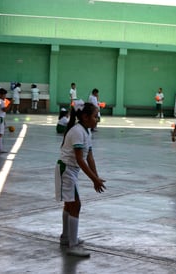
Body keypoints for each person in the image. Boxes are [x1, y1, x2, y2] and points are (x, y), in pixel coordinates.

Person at [55, 100, 106, 257]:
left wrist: (96, 176)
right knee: (75, 205)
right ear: (85, 117)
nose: (98, 119)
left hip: (71, 171)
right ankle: (73, 244)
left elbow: (89, 156)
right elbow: (79, 159)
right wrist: (93, 179)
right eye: (95, 116)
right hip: (66, 170)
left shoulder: (86, 131)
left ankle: (66, 237)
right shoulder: (77, 131)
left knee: (69, 205)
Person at [0, 87, 12, 153]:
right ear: (0, 95)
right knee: (0, 134)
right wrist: (10, 103)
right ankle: (0, 149)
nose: (5, 96)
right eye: (4, 95)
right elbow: (5, 110)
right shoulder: (1, 101)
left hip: (1, 119)